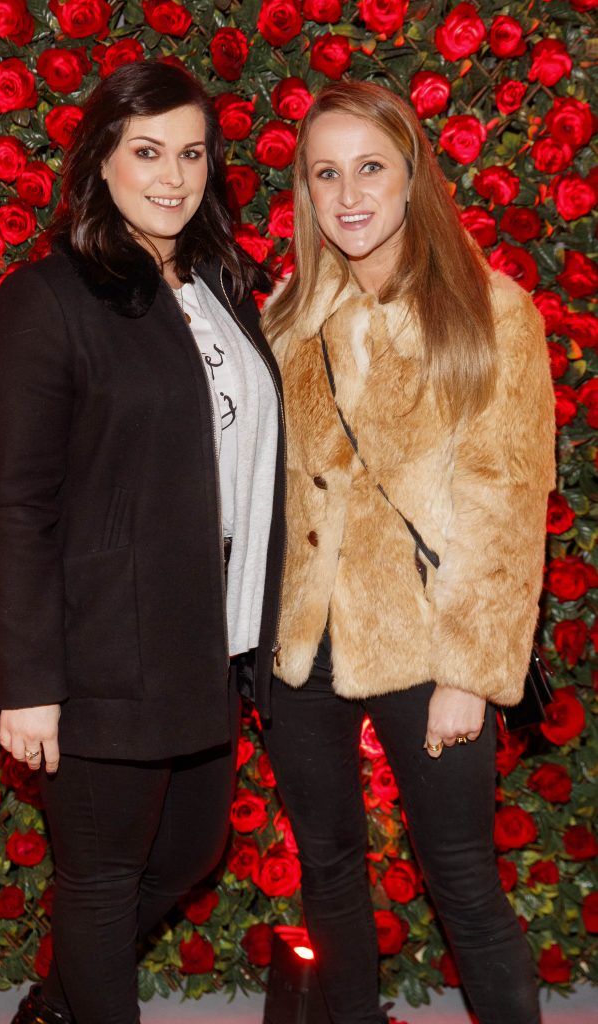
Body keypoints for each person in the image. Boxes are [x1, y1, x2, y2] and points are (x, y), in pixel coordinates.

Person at [0, 60, 285, 1024]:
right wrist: (31, 682)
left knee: (192, 852)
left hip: (210, 640)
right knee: (103, 878)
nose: (173, 175)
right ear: (101, 161)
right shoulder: (51, 298)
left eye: (191, 153)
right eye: (147, 151)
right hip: (107, 646)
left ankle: (61, 1002)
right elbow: (17, 505)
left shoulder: (221, 288)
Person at [260, 81, 555, 1024]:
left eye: (370, 168)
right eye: (326, 173)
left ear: (411, 174)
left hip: (429, 643)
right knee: (328, 866)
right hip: (300, 641)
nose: (349, 194)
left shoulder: (488, 311)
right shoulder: (289, 314)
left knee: (462, 877)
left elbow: (505, 503)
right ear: (305, 192)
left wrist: (470, 671)